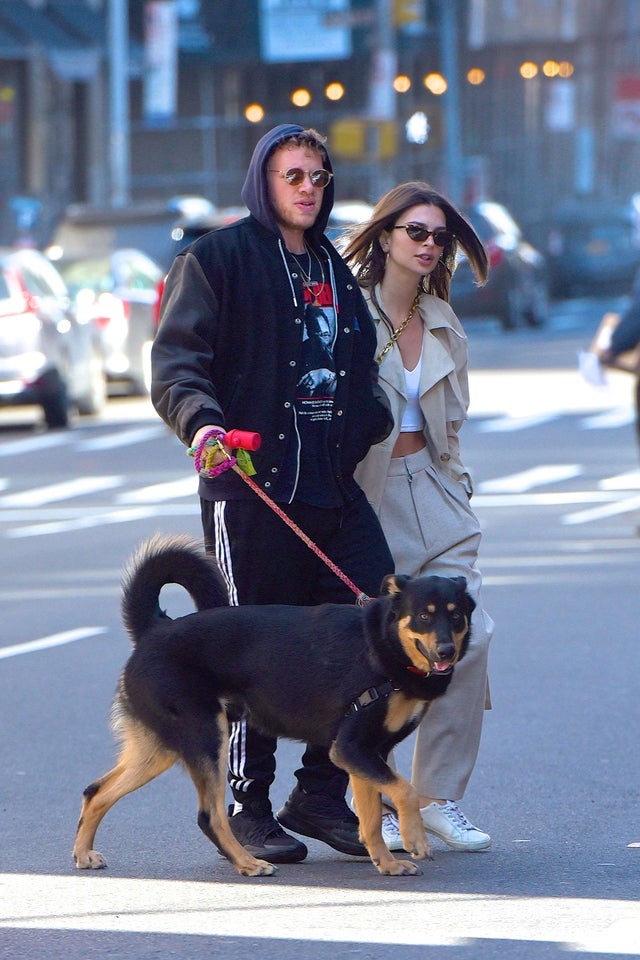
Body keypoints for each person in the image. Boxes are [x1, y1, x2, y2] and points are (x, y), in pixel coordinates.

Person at [150, 124, 395, 865]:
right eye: (294, 176)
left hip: (332, 487)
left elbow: (358, 364)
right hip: (251, 490)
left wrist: (369, 418)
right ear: (265, 180)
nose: (308, 189)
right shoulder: (214, 259)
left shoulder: (331, 264)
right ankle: (244, 806)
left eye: (319, 177)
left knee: (375, 630)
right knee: (253, 648)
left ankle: (320, 795)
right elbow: (177, 364)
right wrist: (204, 424)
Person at [343, 181, 495, 852]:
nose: (430, 245)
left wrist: (455, 485)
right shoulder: (352, 312)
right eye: (417, 232)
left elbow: (452, 421)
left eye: (440, 236)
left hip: (433, 492)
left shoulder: (442, 323)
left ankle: (434, 797)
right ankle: (370, 799)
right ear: (385, 238)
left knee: (472, 635)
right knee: (375, 656)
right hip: (368, 500)